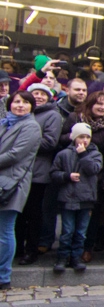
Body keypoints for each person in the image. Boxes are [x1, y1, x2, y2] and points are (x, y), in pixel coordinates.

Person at [60, 92, 104, 260]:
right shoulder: (76, 117)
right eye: (98, 104)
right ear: (90, 104)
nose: (102, 108)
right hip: (73, 171)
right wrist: (76, 137)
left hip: (96, 174)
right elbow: (62, 138)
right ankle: (66, 250)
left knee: (92, 214)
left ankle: (87, 247)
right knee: (69, 216)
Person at [15, 84, 60, 266]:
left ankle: (31, 250)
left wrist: (24, 143)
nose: (39, 96)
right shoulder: (21, 113)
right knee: (18, 213)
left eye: (43, 94)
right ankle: (17, 247)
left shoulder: (52, 115)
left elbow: (50, 143)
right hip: (18, 172)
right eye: (35, 93)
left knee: (34, 213)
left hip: (38, 172)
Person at [0, 91, 41, 289]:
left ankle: (3, 276)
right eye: (17, 102)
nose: (20, 105)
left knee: (5, 229)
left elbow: (15, 155)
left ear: (32, 106)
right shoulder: (6, 122)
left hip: (12, 183)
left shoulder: (31, 126)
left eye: (25, 102)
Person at [50, 123, 103, 273]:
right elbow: (54, 173)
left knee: (81, 232)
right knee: (67, 230)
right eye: (81, 136)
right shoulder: (63, 154)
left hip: (86, 200)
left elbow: (94, 169)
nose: (84, 140)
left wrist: (83, 155)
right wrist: (67, 176)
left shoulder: (95, 154)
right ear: (74, 137)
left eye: (87, 137)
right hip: (68, 198)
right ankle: (62, 257)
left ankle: (76, 257)